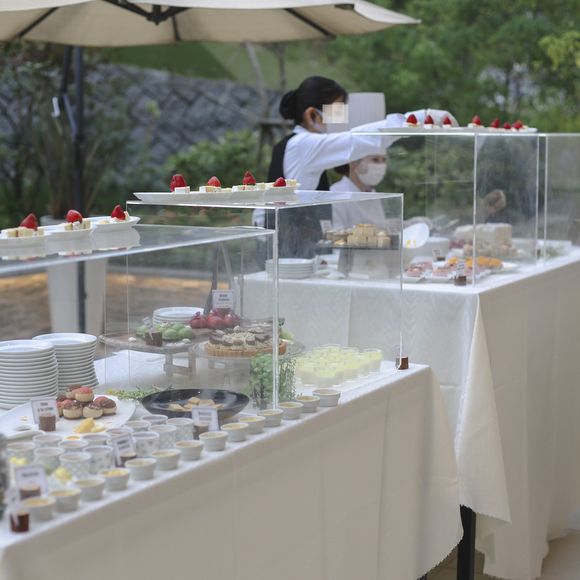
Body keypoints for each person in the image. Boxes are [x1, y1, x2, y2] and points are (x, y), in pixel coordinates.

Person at [258, 76, 455, 257]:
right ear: (312, 115)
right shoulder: (304, 145)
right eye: (337, 113)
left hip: (291, 252)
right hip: (287, 254)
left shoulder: (293, 146)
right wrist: (419, 118)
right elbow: (357, 140)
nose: (342, 120)